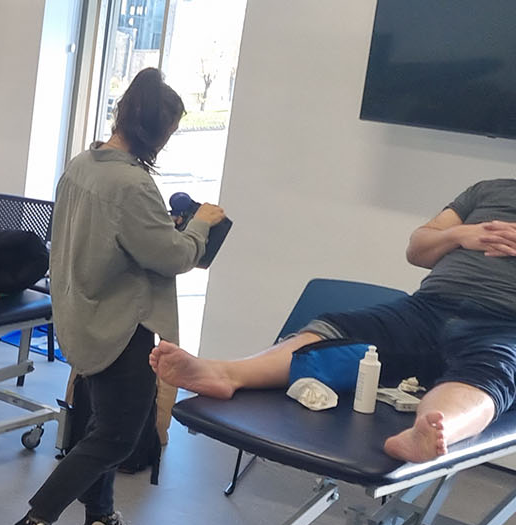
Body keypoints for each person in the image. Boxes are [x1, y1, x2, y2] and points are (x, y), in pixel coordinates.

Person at [4, 69, 226, 525]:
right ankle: (31, 524)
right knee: (119, 436)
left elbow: (119, 239)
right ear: (154, 129)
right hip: (122, 324)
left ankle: (99, 521)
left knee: (101, 423)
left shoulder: (83, 164)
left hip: (84, 312)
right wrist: (202, 225)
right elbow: (172, 257)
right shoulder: (131, 183)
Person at [154, 179, 516, 464]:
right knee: (336, 330)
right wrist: (458, 235)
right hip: (427, 307)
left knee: (489, 374)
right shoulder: (487, 191)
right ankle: (226, 374)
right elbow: (418, 249)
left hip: (503, 325)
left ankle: (433, 428)